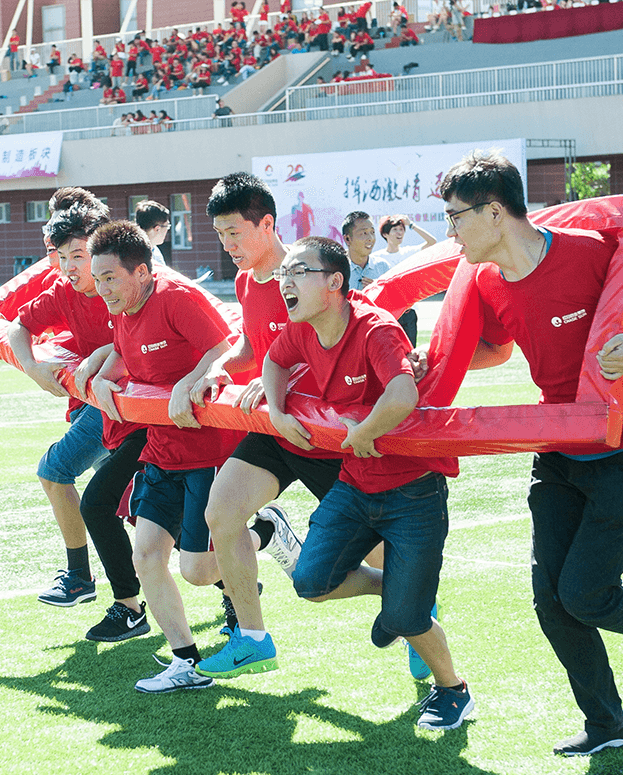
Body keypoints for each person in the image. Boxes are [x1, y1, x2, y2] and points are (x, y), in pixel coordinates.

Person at [440, 150, 623, 756]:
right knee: (552, 603)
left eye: (456, 217)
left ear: (495, 212)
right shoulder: (486, 279)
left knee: (587, 593)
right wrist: (435, 363)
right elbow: (498, 349)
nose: (450, 232)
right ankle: (607, 725)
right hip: (558, 448)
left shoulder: (588, 251)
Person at [262, 236, 469, 730]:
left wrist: (365, 431)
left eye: (298, 272)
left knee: (411, 617)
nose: (285, 282)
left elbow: (403, 393)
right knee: (310, 583)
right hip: (355, 486)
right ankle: (394, 597)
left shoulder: (375, 327)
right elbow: (273, 361)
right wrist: (276, 410)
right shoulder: (302, 328)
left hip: (414, 491)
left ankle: (453, 690)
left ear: (335, 282)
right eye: (284, 274)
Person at [184, 174, 353, 681]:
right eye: (220, 235)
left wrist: (276, 377)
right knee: (221, 513)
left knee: (380, 554)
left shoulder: (307, 274)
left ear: (267, 224)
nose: (227, 244)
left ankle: (419, 621)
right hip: (275, 431)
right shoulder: (245, 282)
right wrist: (217, 369)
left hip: (328, 435)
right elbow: (252, 346)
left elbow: (339, 343)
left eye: (235, 232)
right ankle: (253, 639)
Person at [85, 221, 246, 694]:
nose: (102, 289)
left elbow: (226, 348)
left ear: (142, 272)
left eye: (110, 278)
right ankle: (186, 662)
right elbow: (123, 352)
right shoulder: (123, 308)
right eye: (98, 279)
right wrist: (104, 376)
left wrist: (188, 382)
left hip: (209, 451)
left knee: (198, 571)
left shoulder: (176, 298)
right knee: (148, 556)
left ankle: (264, 532)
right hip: (161, 449)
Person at [4, 189, 124, 608]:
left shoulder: (127, 283)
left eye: (78, 255)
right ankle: (233, 574)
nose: (69, 266)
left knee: (55, 471)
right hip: (100, 405)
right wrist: (32, 368)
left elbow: (143, 337)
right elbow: (19, 326)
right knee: (139, 512)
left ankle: (80, 578)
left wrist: (101, 355)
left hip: (128, 410)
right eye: (61, 255)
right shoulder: (64, 290)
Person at [376, 214, 438, 347]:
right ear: (385, 234)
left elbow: (432, 242)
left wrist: (411, 225)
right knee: (390, 351)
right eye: (395, 230)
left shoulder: (409, 252)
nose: (399, 233)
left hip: (409, 311)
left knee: (410, 351)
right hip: (388, 313)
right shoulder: (377, 258)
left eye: (401, 229)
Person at [342, 211, 391, 293]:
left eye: (372, 232)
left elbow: (395, 298)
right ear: (347, 239)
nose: (371, 238)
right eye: (364, 233)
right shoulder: (337, 269)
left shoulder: (383, 267)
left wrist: (379, 290)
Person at [134, 200, 172, 269]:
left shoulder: (155, 250)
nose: (167, 230)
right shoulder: (135, 255)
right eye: (167, 226)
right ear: (157, 229)